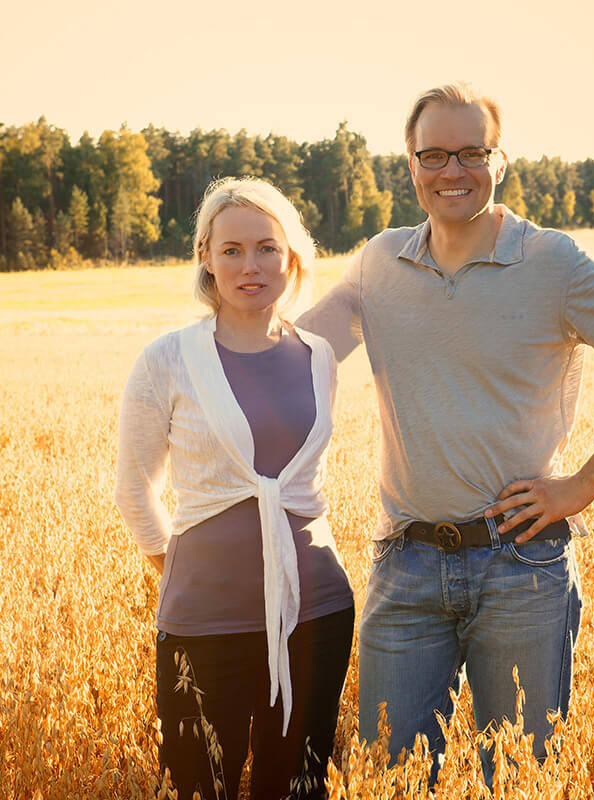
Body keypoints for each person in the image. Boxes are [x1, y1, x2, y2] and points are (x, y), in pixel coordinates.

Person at [298, 82, 594, 784]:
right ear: (411, 163)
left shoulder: (552, 262)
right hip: (406, 564)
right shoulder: (377, 264)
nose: (452, 170)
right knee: (388, 778)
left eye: (470, 152)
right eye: (434, 154)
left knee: (519, 779)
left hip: (523, 569)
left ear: (500, 161)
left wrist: (582, 485)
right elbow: (294, 353)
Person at [115, 177, 354, 800]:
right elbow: (135, 489)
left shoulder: (320, 355)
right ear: (206, 258)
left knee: (297, 789)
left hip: (316, 612)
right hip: (202, 617)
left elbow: (307, 483)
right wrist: (180, 566)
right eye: (232, 250)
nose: (251, 266)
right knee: (199, 785)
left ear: (293, 256)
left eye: (267, 248)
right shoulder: (166, 359)